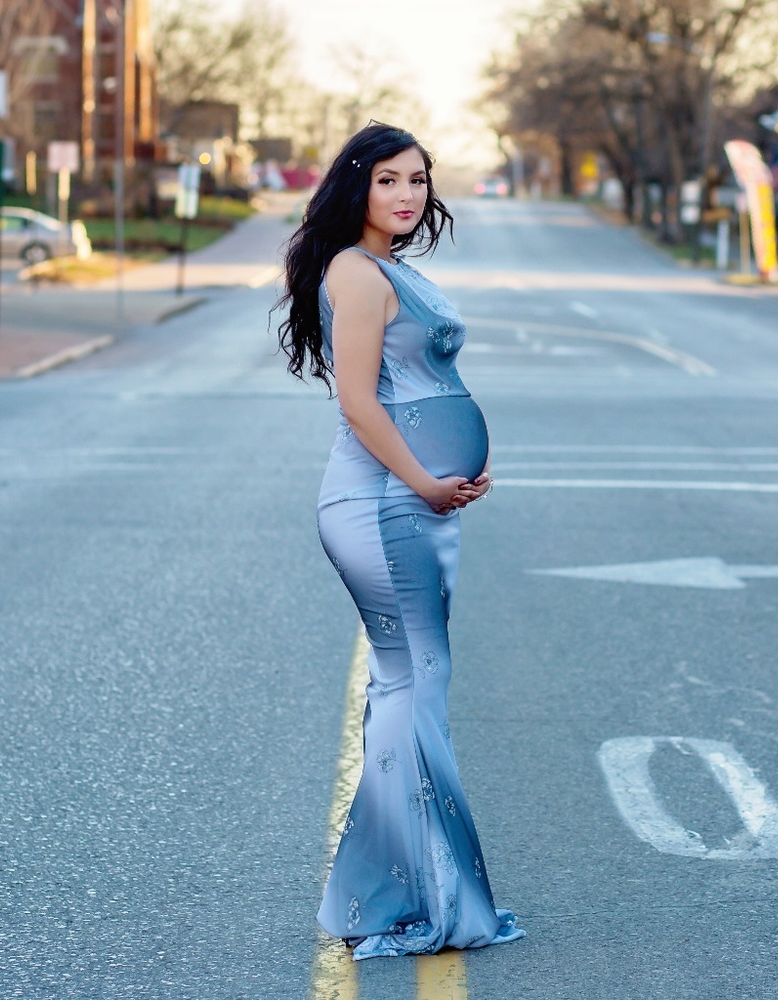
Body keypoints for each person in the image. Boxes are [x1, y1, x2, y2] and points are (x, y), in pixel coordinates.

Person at [276, 122, 525, 961]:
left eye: (417, 180)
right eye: (389, 180)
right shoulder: (352, 270)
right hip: (382, 500)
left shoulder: (387, 268)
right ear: (357, 186)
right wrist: (423, 479)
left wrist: (444, 475)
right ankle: (415, 896)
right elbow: (357, 400)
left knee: (409, 687)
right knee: (415, 684)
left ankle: (388, 891)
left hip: (411, 503)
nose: (408, 196)